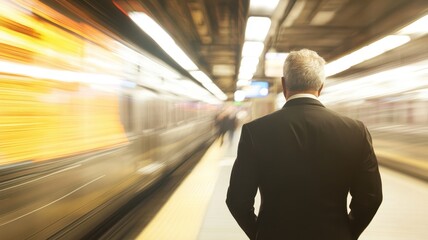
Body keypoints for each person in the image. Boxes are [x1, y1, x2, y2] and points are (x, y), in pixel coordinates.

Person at [226, 49, 382, 240]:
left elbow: (237, 201)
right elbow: (371, 198)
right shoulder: (356, 131)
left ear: (284, 84)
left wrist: (260, 233)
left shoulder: (255, 132)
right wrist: (346, 233)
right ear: (321, 86)